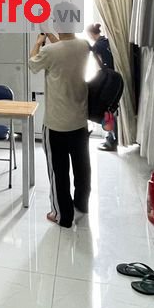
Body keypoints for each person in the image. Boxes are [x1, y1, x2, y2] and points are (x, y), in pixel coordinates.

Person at [29, 24, 92, 228]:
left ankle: (62, 215)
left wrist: (39, 42)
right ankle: (81, 204)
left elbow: (32, 64)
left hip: (56, 124)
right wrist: (51, 35)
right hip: (79, 121)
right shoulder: (84, 46)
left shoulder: (49, 51)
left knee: (58, 171)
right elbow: (65, 49)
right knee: (82, 167)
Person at [86, 23, 118, 151]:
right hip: (115, 78)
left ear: (91, 33)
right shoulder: (107, 41)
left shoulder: (97, 46)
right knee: (112, 110)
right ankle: (112, 139)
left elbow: (99, 66)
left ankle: (111, 140)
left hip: (107, 80)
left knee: (106, 112)